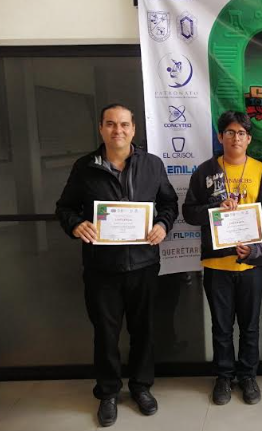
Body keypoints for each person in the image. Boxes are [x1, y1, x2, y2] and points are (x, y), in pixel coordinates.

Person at [56, 104, 178, 427]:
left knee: (143, 331)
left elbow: (169, 203)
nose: (118, 130)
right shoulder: (85, 167)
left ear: (134, 129)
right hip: (102, 268)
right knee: (106, 334)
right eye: (111, 124)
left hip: (144, 264)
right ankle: (108, 392)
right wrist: (76, 225)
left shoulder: (152, 165)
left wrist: (163, 225)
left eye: (124, 124)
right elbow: (65, 208)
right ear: (101, 128)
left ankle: (141, 387)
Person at [183, 111, 262, 406]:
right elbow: (189, 212)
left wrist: (257, 251)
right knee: (221, 327)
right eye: (230, 132)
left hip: (251, 263)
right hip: (216, 265)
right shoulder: (205, 171)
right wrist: (214, 208)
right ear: (220, 137)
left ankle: (248, 376)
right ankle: (224, 377)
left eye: (242, 133)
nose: (236, 138)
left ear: (249, 139)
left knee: (250, 326)